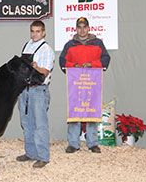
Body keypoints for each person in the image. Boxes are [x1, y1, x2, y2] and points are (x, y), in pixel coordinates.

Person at [59, 17, 110, 154]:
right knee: (75, 111)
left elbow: (105, 59)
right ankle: (73, 143)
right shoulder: (70, 45)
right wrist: (73, 66)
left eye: (84, 27)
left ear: (88, 28)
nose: (82, 30)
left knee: (92, 111)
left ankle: (93, 143)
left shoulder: (98, 43)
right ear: (76, 29)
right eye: (79, 27)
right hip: (76, 83)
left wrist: (91, 65)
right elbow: (63, 61)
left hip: (92, 83)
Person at [16, 20, 55, 168]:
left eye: (38, 31)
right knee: (26, 123)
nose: (34, 34)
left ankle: (43, 156)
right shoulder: (28, 45)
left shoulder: (46, 50)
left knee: (40, 124)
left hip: (38, 89)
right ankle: (30, 153)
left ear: (43, 32)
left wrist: (35, 67)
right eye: (32, 31)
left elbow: (44, 72)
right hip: (25, 88)